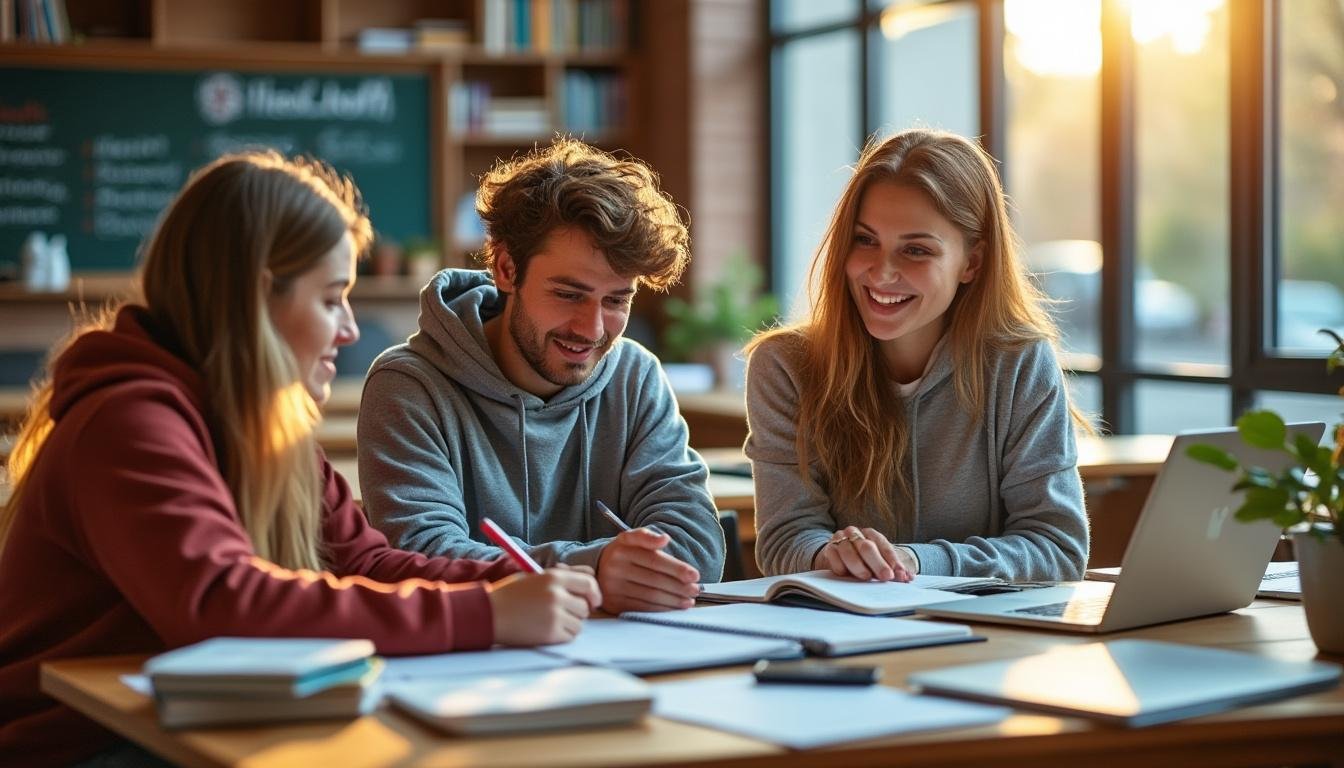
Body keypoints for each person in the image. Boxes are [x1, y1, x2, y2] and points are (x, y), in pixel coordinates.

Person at [0, 152, 600, 767]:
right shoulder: (127, 422)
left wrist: (518, 582)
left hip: (192, 725)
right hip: (83, 744)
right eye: (331, 299)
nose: (347, 329)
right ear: (254, 301)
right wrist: (485, 613)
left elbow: (363, 563)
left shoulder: (264, 428)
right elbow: (222, 603)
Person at [359, 138, 725, 614]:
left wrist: (600, 571)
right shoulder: (408, 386)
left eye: (616, 301)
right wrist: (598, 567)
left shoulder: (635, 377)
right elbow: (418, 555)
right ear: (507, 268)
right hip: (474, 664)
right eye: (569, 294)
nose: (592, 330)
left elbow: (696, 548)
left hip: (619, 659)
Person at [745, 128, 1090, 583]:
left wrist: (916, 562)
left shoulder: (1019, 362)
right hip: (846, 634)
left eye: (916, 250)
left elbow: (1058, 547)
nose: (882, 272)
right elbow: (785, 540)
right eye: (865, 240)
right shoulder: (785, 366)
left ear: (972, 263)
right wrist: (835, 556)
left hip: (986, 637)